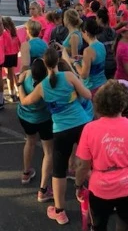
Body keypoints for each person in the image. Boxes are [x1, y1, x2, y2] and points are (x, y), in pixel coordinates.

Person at [18, 47, 92, 225]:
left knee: (58, 171)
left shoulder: (42, 86)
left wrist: (20, 84)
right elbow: (88, 95)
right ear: (58, 60)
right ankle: (91, 195)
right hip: (82, 124)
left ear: (45, 63)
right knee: (88, 161)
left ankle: (60, 212)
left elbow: (24, 101)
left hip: (61, 130)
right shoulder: (68, 77)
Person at [75, 80, 128, 231]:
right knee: (125, 224)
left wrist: (78, 185)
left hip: (101, 188)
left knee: (99, 225)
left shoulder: (89, 129)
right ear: (122, 104)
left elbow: (83, 165)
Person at [16, 58, 54, 202]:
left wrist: (20, 83)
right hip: (43, 118)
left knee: (30, 141)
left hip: (25, 117)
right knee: (48, 151)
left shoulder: (25, 75)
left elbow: (21, 95)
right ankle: (43, 190)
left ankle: (26, 173)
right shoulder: (48, 83)